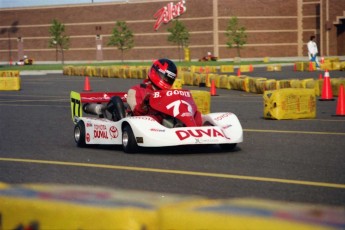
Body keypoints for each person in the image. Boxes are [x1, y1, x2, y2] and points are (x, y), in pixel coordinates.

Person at [126, 58, 203, 127]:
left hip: (168, 121)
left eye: (169, 79)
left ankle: (195, 130)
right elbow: (137, 113)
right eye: (165, 77)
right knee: (152, 119)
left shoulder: (169, 93)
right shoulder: (136, 90)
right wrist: (145, 104)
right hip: (147, 124)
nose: (167, 80)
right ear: (155, 71)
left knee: (197, 115)